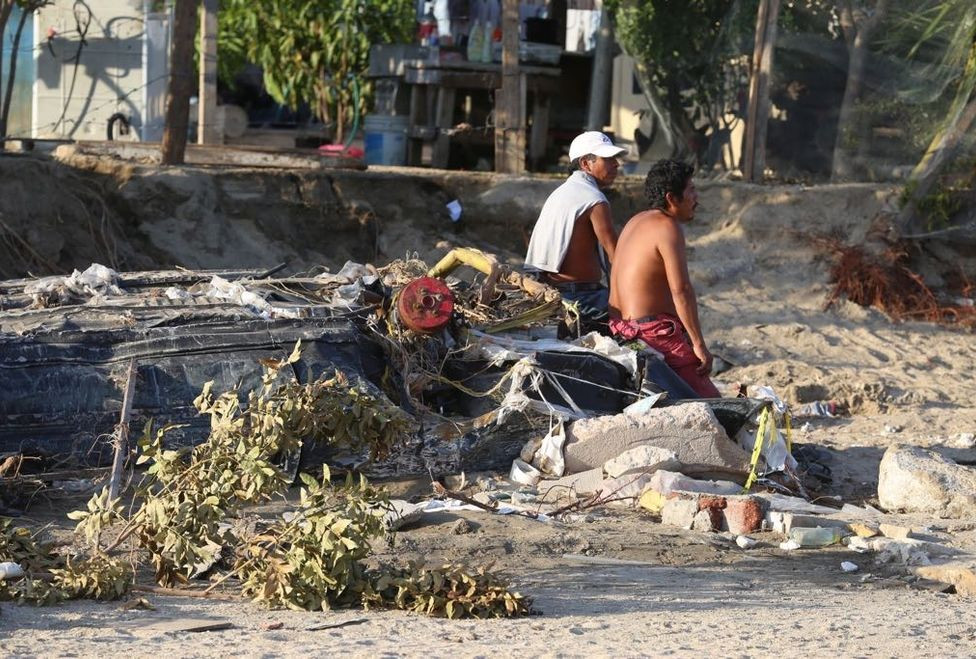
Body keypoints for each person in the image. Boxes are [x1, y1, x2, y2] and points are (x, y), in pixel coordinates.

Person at [608, 159, 721, 398]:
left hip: (620, 328)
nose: (696, 198)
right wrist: (698, 344)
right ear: (671, 198)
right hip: (651, 333)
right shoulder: (667, 227)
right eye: (691, 190)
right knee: (711, 403)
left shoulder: (635, 221)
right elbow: (681, 291)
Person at [524, 131, 627, 330]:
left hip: (548, 291)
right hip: (580, 296)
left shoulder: (561, 192)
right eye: (607, 159)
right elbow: (616, 256)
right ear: (585, 164)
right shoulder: (594, 200)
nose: (616, 164)